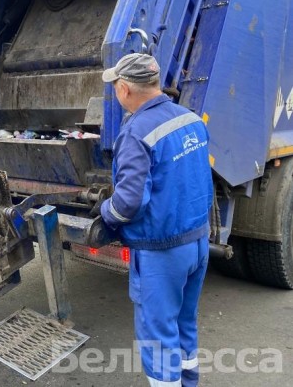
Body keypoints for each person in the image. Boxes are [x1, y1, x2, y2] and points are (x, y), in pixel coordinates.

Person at [88, 53, 213, 387]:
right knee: (185, 323)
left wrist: (104, 214)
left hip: (162, 251)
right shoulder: (191, 120)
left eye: (115, 85)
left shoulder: (135, 134)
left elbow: (128, 203)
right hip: (198, 243)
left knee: (158, 339)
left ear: (125, 89)